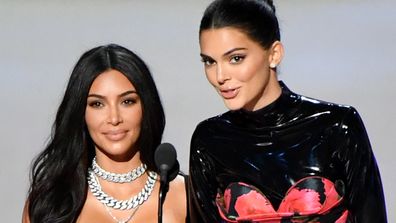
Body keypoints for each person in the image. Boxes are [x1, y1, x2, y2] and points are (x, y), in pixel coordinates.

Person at [188, 0, 387, 222]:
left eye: (236, 58)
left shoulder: (336, 126)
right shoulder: (210, 139)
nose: (219, 76)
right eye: (209, 62)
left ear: (274, 54)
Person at [23, 44, 187, 223]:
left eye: (127, 101)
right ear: (81, 113)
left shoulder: (185, 196)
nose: (114, 118)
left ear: (147, 106)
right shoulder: (51, 204)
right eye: (97, 104)